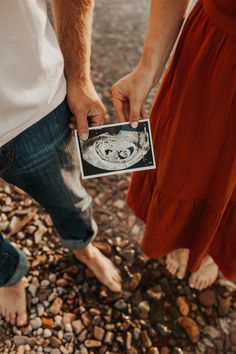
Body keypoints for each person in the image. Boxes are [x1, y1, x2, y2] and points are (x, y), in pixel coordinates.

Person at [0, 0, 122, 327]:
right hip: (33, 105)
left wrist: (79, 78)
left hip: (32, 108)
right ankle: (9, 275)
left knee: (68, 199)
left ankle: (82, 245)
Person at [112, 0, 236, 290]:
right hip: (216, 57)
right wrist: (148, 68)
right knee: (187, 164)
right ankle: (184, 239)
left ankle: (209, 250)